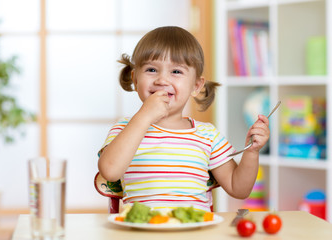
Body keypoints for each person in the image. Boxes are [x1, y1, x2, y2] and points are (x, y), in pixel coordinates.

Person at [98, 26, 270, 212]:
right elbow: (110, 171)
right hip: (143, 229)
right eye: (151, 69)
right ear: (135, 79)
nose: (162, 80)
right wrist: (145, 116)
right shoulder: (126, 128)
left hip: (193, 230)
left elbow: (239, 188)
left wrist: (252, 153)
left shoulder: (207, 135)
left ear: (196, 85)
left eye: (176, 72)